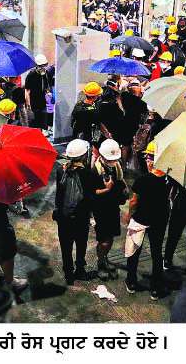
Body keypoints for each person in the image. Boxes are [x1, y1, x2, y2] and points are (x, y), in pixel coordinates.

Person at [124, 141, 170, 299]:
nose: (146, 160)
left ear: (153, 160)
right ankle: (156, 288)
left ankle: (131, 281)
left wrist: (129, 214)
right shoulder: (169, 178)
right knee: (156, 252)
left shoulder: (143, 180)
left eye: (148, 157)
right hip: (160, 220)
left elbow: (133, 201)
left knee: (134, 249)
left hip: (141, 219)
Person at [53, 139, 97, 284]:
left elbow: (59, 195)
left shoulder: (61, 171)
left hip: (63, 217)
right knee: (81, 244)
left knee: (66, 246)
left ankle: (68, 273)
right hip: (81, 217)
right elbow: (90, 197)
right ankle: (80, 270)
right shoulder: (89, 174)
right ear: (84, 156)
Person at [91, 139, 128, 281]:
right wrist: (106, 189)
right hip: (101, 210)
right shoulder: (95, 170)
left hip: (113, 207)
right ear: (102, 156)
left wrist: (124, 189)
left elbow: (120, 180)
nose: (112, 161)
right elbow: (91, 193)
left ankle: (105, 258)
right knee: (103, 240)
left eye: (114, 159)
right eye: (110, 159)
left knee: (111, 237)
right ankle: (100, 263)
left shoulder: (116, 166)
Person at [71, 82, 105, 160]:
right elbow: (99, 124)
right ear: (94, 96)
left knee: (79, 153)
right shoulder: (94, 111)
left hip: (77, 134)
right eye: (98, 95)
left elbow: (73, 120)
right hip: (89, 136)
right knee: (90, 154)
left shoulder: (79, 105)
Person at [25, 54, 53, 134]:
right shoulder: (31, 75)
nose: (43, 68)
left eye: (44, 65)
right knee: (35, 122)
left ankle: (41, 133)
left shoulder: (47, 74)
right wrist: (28, 104)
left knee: (43, 121)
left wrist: (48, 93)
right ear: (36, 65)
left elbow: (48, 86)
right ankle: (35, 134)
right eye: (41, 66)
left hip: (44, 102)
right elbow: (27, 90)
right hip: (34, 102)